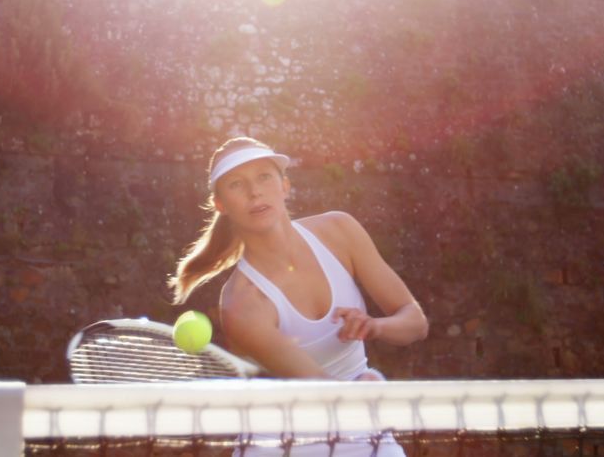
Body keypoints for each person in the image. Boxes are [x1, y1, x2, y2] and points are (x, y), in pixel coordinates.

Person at [169, 136, 429, 456]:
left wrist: (375, 327)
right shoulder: (242, 304)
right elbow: (323, 391)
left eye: (264, 176)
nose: (255, 192)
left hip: (361, 425)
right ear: (221, 204)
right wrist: (364, 391)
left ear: (285, 186)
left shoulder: (340, 231)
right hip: (282, 444)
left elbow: (415, 321)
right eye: (237, 184)